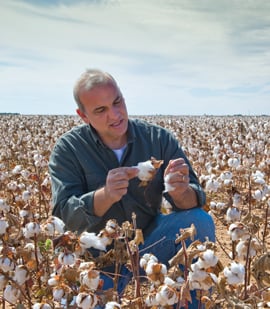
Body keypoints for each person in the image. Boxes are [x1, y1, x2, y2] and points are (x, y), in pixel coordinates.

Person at [49, 69, 215, 308]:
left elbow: (195, 197)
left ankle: (190, 302)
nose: (115, 115)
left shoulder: (158, 139)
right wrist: (104, 196)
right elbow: (63, 217)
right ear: (83, 116)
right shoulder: (69, 149)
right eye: (101, 110)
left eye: (117, 102)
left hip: (151, 244)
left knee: (198, 221)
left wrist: (181, 193)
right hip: (95, 261)